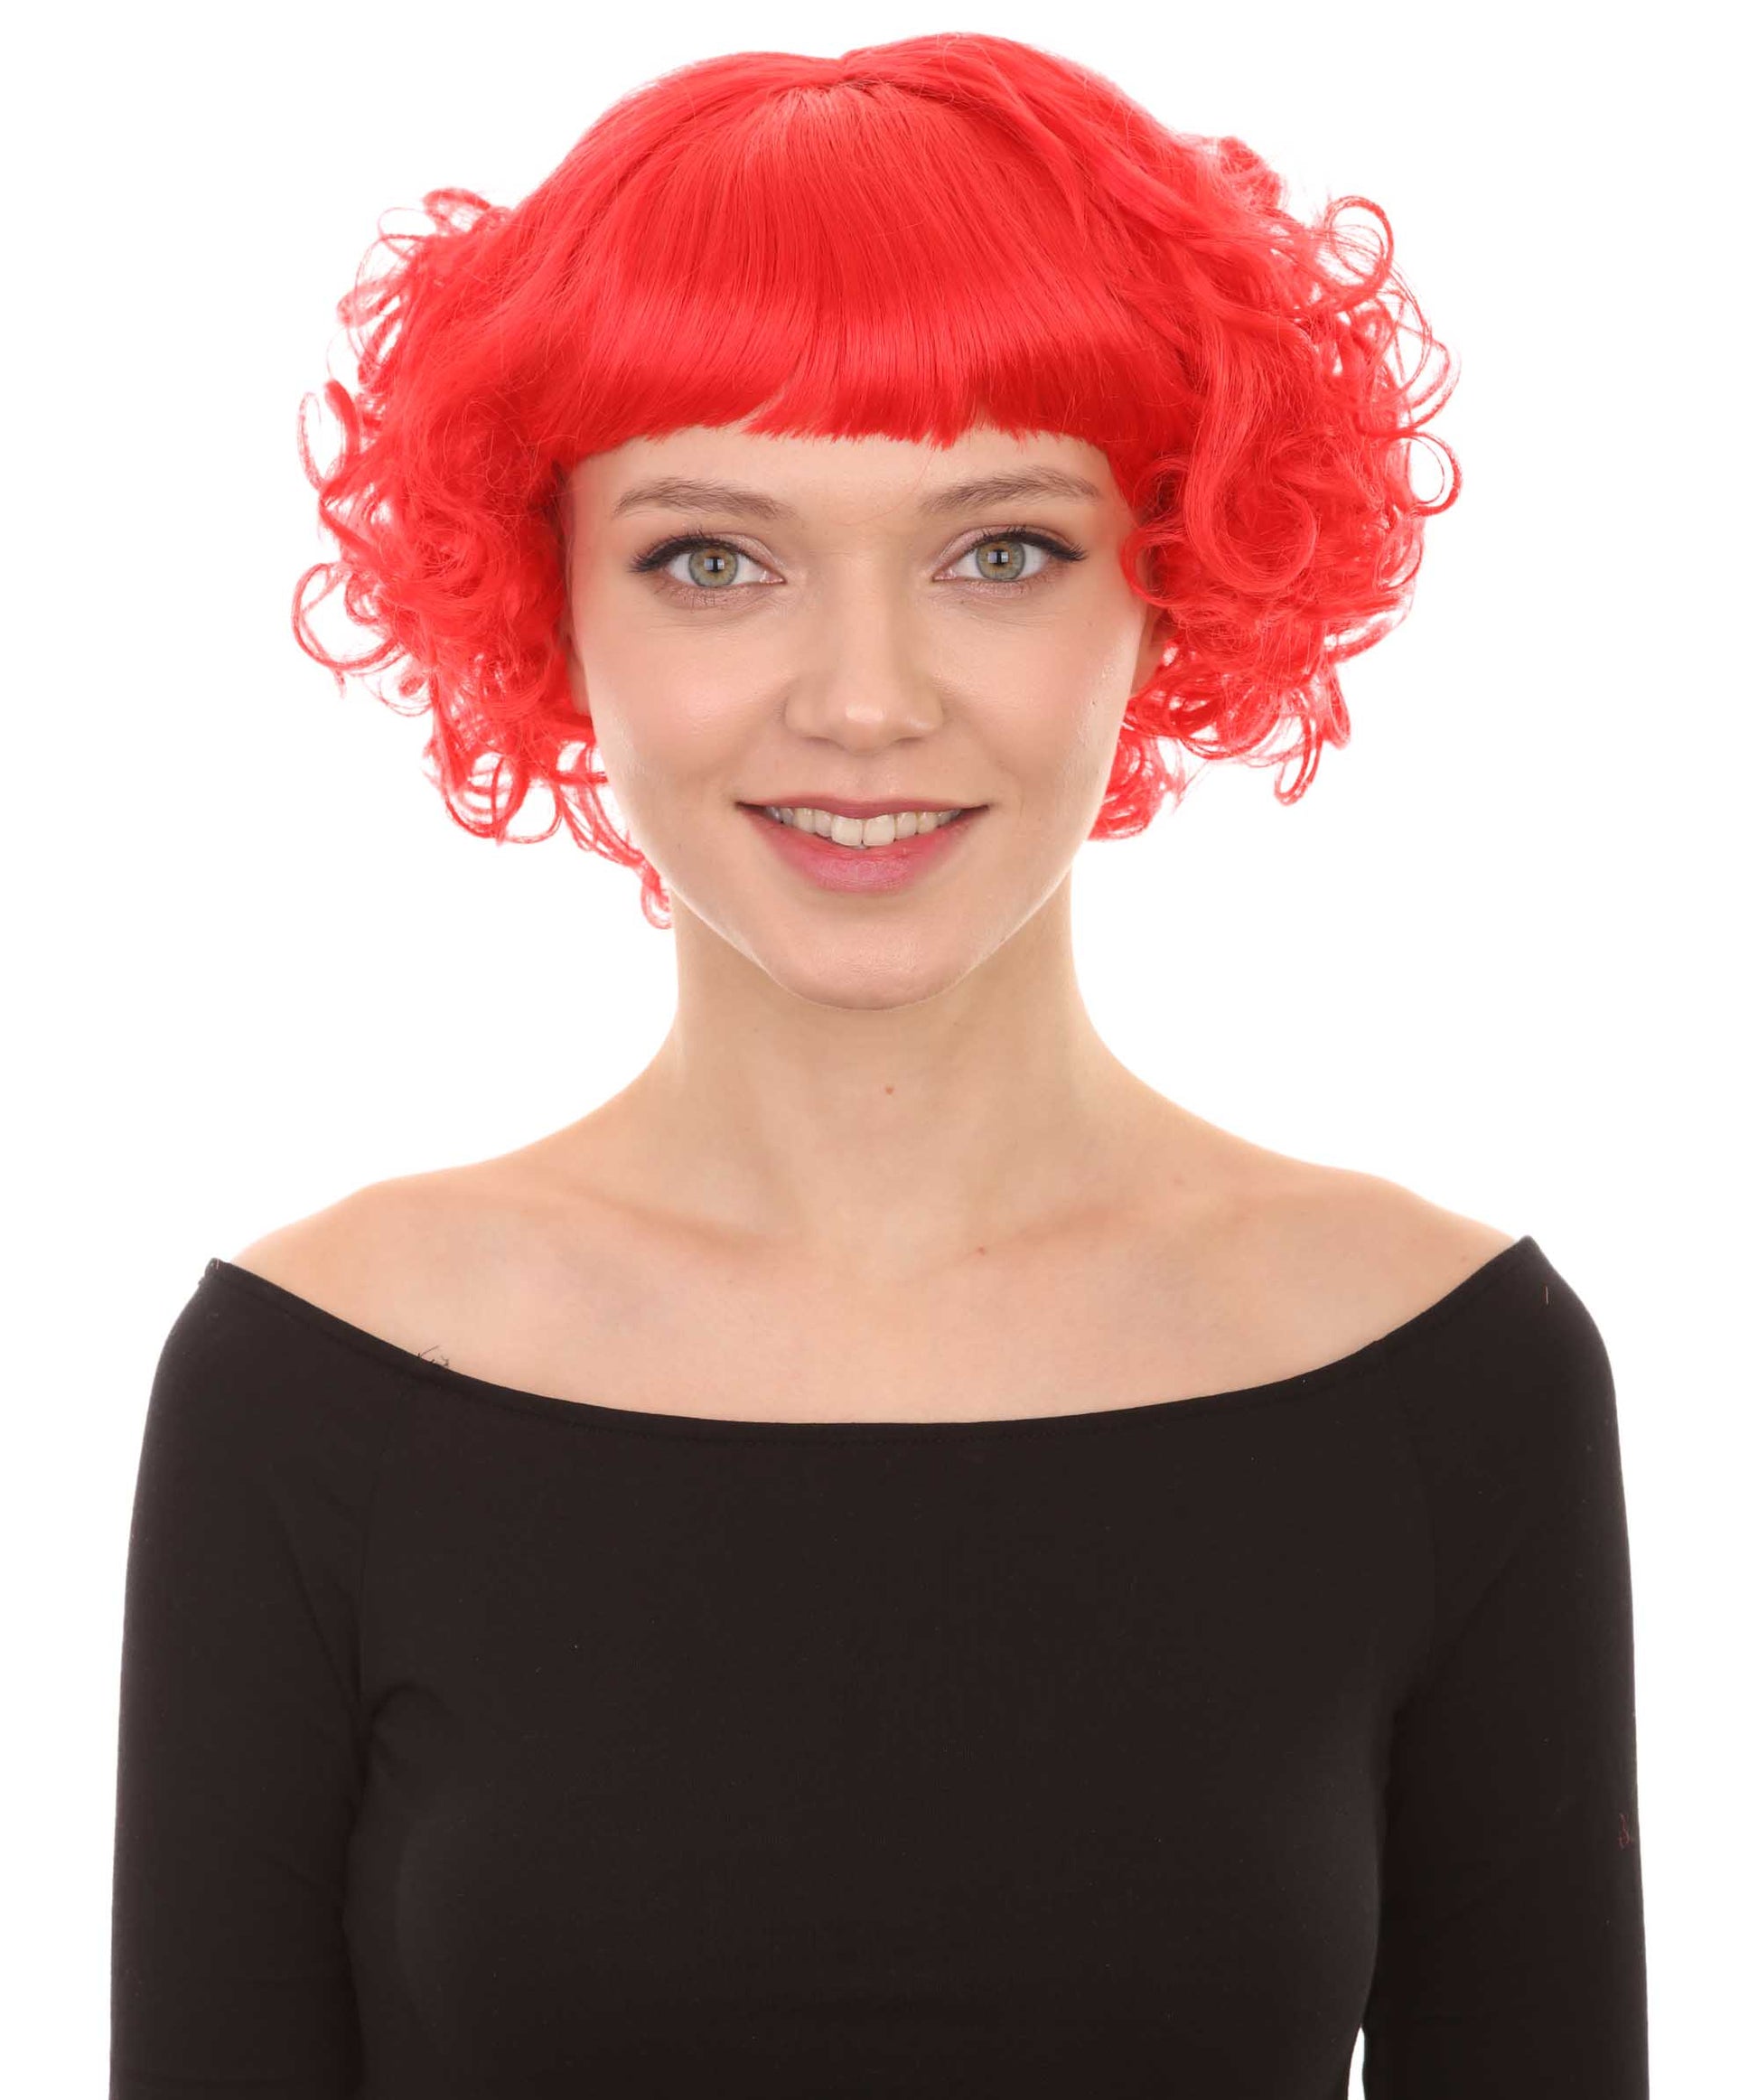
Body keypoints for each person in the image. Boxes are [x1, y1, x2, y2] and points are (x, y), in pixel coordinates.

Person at [109, 32, 1647, 2097]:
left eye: (998, 549)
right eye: (711, 557)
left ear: (1175, 572)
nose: (862, 699)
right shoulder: (313, 1385)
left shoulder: (1442, 1377)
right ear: (543, 594)